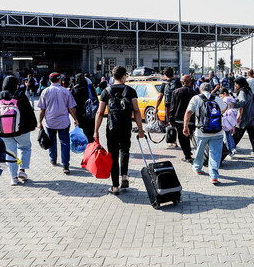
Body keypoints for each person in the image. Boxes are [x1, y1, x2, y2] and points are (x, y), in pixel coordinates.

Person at [95, 66, 144, 195]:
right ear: (123, 77)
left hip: (111, 128)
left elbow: (100, 112)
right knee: (125, 151)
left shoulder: (106, 91)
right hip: (126, 127)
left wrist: (95, 131)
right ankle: (124, 177)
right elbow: (137, 111)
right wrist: (140, 130)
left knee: (113, 155)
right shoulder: (130, 91)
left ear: (113, 76)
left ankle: (115, 186)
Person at [0, 76, 37, 185]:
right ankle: (22, 170)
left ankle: (13, 178)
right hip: (22, 130)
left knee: (10, 154)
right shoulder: (20, 95)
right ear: (16, 84)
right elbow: (29, 112)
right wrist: (33, 125)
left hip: (4, 132)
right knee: (25, 147)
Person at [183, 82, 226, 184]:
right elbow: (224, 108)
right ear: (211, 89)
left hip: (201, 131)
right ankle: (214, 176)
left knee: (200, 151)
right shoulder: (217, 99)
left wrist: (185, 126)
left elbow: (188, 112)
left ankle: (197, 168)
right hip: (217, 131)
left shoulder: (196, 98)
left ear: (200, 90)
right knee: (215, 154)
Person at [37, 72, 79, 174]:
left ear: (49, 80)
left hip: (50, 122)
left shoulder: (45, 92)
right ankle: (65, 165)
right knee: (65, 142)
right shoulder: (66, 91)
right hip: (63, 122)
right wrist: (75, 119)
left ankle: (53, 160)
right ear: (60, 80)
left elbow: (42, 110)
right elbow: (71, 109)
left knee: (52, 141)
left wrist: (39, 122)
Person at [169, 75, 198, 163]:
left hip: (179, 119)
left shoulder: (176, 92)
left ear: (182, 82)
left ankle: (188, 155)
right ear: (190, 82)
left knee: (182, 139)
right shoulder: (195, 93)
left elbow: (173, 107)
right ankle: (189, 153)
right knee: (188, 137)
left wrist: (170, 119)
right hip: (191, 120)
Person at [232, 76, 254, 155]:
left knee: (238, 133)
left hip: (244, 115)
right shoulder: (249, 90)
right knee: (252, 133)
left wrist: (233, 105)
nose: (235, 85)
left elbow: (242, 102)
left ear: (240, 84)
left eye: (236, 84)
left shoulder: (242, 91)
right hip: (252, 114)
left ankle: (230, 149)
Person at [154, 67, 182, 147]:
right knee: (178, 123)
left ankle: (174, 142)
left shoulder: (164, 84)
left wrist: (156, 108)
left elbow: (160, 97)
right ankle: (180, 141)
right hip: (178, 105)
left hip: (168, 106)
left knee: (170, 123)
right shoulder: (178, 82)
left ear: (165, 75)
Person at [71, 73, 95, 143]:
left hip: (79, 113)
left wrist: (74, 118)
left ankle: (84, 148)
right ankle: (90, 148)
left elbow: (72, 104)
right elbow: (95, 98)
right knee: (90, 132)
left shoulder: (74, 89)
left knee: (82, 132)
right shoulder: (90, 87)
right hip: (90, 112)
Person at [220, 87, 237, 158]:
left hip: (225, 119)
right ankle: (233, 148)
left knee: (226, 137)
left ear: (224, 93)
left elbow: (223, 109)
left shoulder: (224, 99)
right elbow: (233, 106)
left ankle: (229, 152)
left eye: (221, 95)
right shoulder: (232, 98)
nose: (220, 97)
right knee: (229, 135)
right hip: (232, 119)